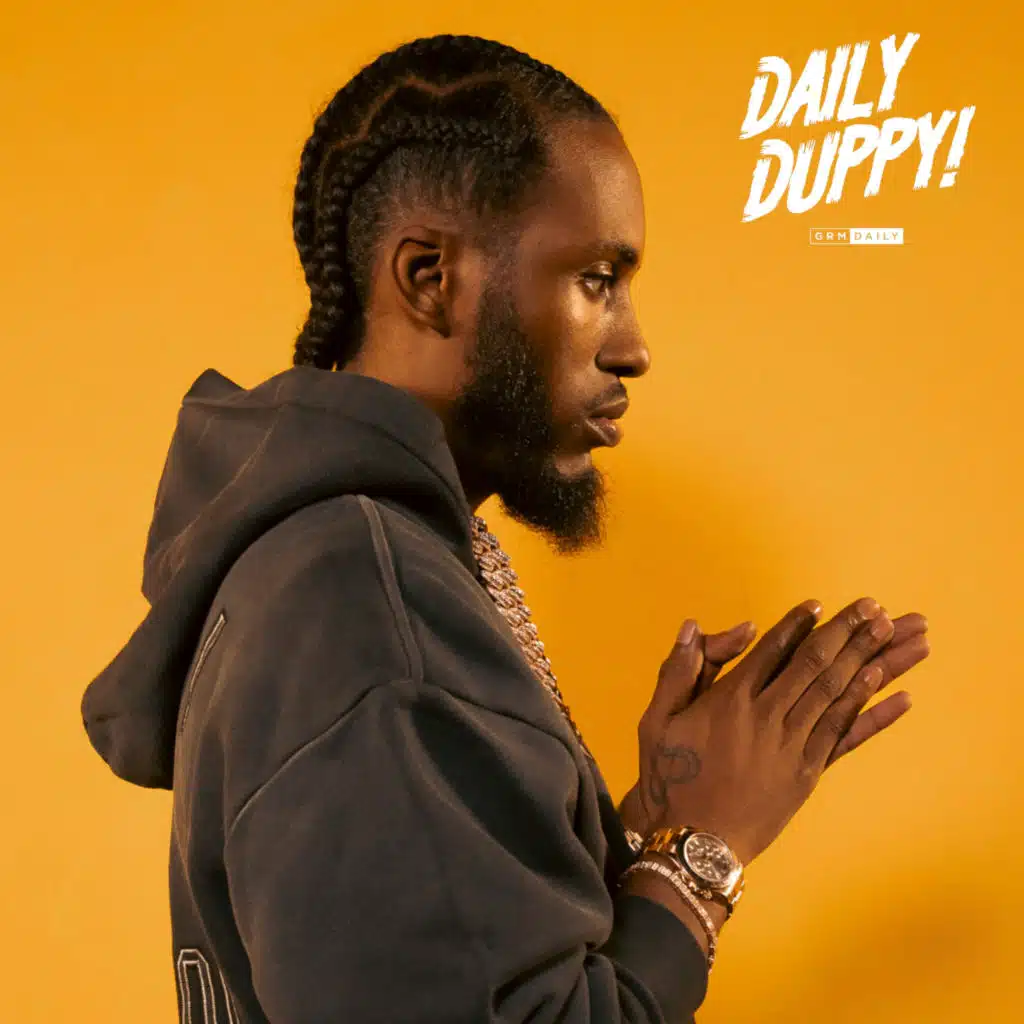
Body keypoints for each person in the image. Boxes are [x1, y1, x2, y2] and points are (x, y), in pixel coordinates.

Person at [81, 33, 931, 1023]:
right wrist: (704, 851)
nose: (633, 347)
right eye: (597, 278)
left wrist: (648, 823)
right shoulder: (365, 605)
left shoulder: (358, 565)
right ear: (429, 277)